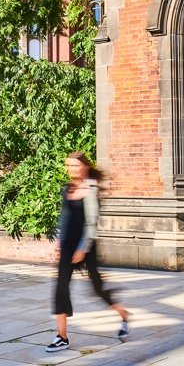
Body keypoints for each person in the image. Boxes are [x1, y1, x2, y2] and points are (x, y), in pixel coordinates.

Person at [47, 151, 130, 353]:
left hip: (86, 247)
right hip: (67, 247)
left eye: (75, 165)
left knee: (97, 289)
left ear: (84, 166)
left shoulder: (91, 189)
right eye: (69, 166)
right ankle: (62, 337)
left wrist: (82, 249)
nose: (72, 169)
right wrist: (58, 243)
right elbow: (64, 219)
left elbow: (92, 224)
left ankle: (124, 316)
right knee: (60, 289)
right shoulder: (67, 188)